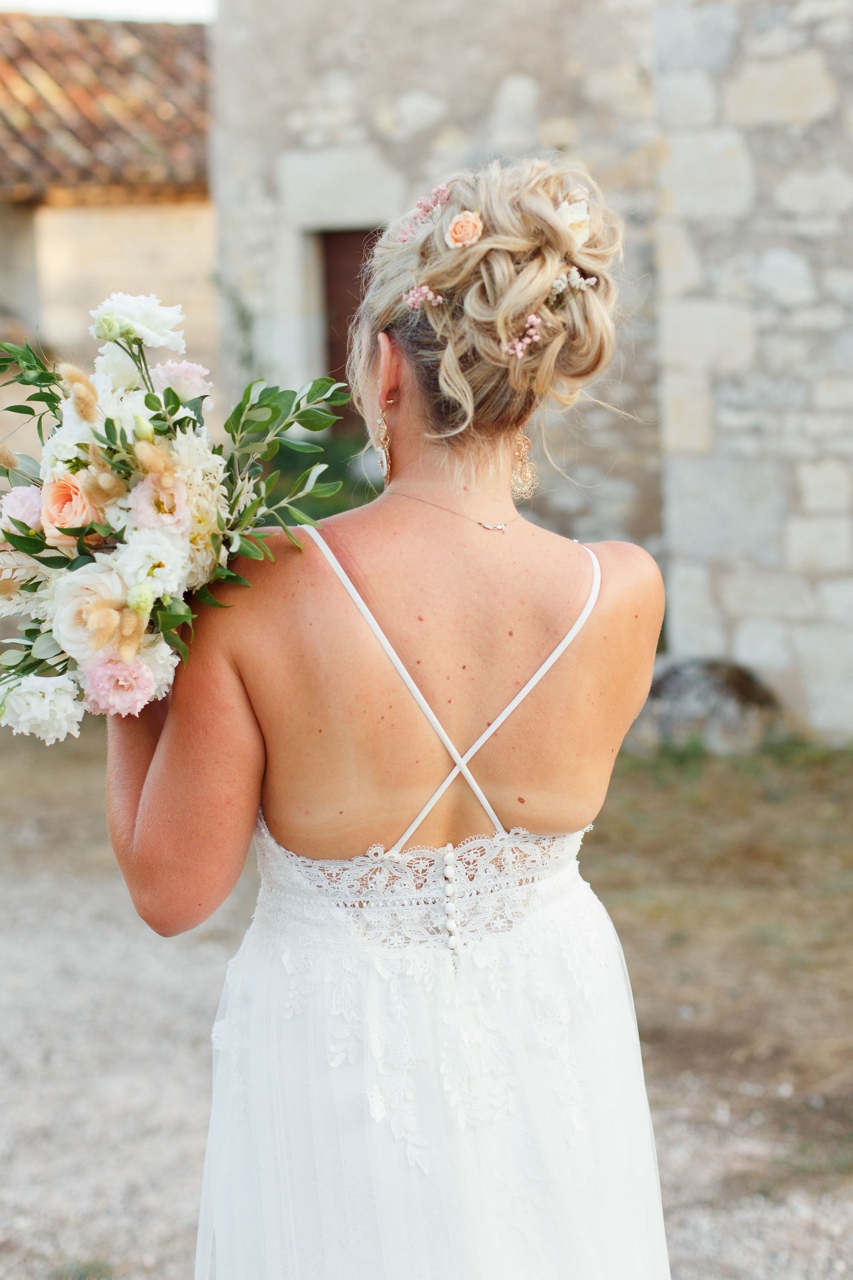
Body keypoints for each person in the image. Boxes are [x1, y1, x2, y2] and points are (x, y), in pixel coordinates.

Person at [106, 156, 669, 1280]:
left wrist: (126, 658)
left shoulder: (264, 583)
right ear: (544, 372)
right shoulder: (623, 589)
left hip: (337, 1041)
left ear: (381, 366)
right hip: (549, 1010)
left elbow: (171, 893)